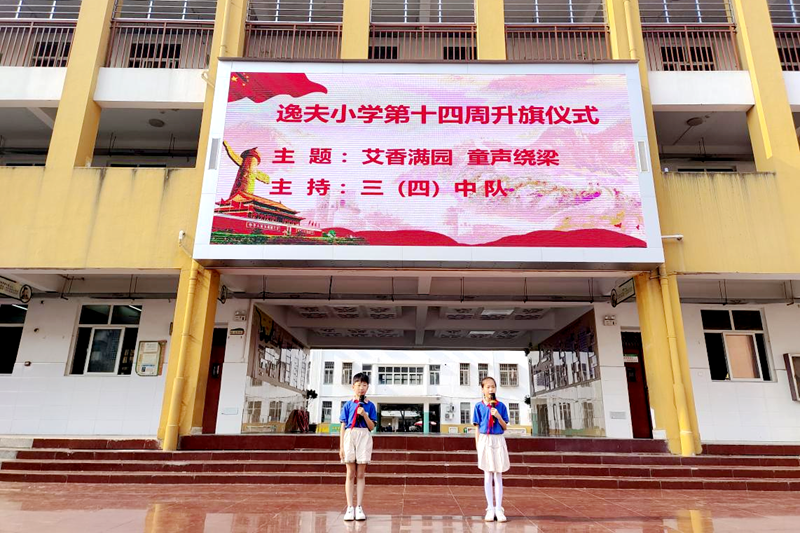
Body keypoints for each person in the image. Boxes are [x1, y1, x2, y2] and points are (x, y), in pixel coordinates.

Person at [339, 372, 377, 521]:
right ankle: (350, 507)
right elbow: (343, 426)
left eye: (364, 385)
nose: (361, 388)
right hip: (350, 435)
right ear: (353, 386)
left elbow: (371, 427)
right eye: (359, 385)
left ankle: (359, 507)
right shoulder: (348, 405)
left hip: (364, 436)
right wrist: (341, 446)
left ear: (367, 387)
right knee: (350, 473)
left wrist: (365, 415)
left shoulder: (370, 405)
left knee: (361, 473)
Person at [473, 376, 510, 522]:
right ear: (482, 389)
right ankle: (490, 508)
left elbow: (505, 427)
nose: (491, 389)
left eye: (493, 387)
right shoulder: (478, 406)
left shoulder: (501, 406)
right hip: (485, 439)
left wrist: (498, 416)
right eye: (488, 387)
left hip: (498, 439)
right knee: (487, 475)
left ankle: (499, 508)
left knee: (498, 474)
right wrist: (478, 446)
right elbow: (477, 428)